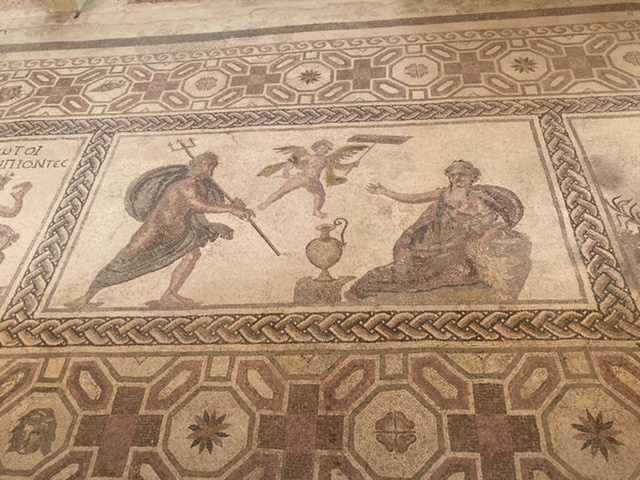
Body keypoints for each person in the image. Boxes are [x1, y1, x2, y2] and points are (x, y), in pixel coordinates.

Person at [68, 152, 254, 309]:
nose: (209, 170)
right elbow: (198, 205)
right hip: (155, 230)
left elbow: (204, 206)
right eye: (207, 165)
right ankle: (87, 296)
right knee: (126, 258)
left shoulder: (201, 186)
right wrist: (231, 209)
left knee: (192, 255)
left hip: (178, 231)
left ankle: (170, 294)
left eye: (213, 167)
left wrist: (233, 206)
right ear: (195, 164)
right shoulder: (185, 184)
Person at [346, 160, 531, 301]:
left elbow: (498, 223)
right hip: (423, 242)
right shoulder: (443, 194)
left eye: (463, 174)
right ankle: (362, 286)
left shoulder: (478, 202)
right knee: (404, 270)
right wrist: (385, 192)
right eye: (453, 175)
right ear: (449, 177)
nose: (457, 178)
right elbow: (413, 198)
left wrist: (488, 235)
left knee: (431, 275)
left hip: (452, 246)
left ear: (472, 178)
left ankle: (366, 287)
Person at [257, 139, 366, 218]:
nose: (322, 150)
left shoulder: (326, 160)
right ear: (316, 148)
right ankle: (266, 203)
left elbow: (340, 167)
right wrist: (286, 171)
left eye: (325, 149)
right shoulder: (309, 157)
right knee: (283, 190)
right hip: (302, 177)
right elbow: (291, 161)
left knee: (320, 196)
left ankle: (316, 211)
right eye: (321, 148)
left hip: (314, 181)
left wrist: (352, 164)